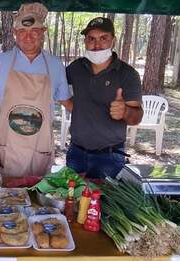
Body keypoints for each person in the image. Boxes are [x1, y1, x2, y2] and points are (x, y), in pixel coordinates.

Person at [0, 2, 73, 178]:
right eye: (22, 31)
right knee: (9, 197)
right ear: (15, 33)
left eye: (34, 31)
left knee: (38, 195)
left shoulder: (54, 64)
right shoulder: (1, 62)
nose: (28, 37)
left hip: (40, 146)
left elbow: (67, 102)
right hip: (8, 145)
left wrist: (97, 113)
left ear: (43, 32)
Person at [65, 17, 143, 179]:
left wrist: (125, 111)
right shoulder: (76, 68)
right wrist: (65, 101)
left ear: (113, 41)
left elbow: (136, 117)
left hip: (109, 157)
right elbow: (56, 86)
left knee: (104, 203)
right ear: (85, 41)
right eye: (91, 39)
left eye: (103, 38)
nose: (97, 44)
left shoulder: (127, 74)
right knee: (71, 201)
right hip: (76, 153)